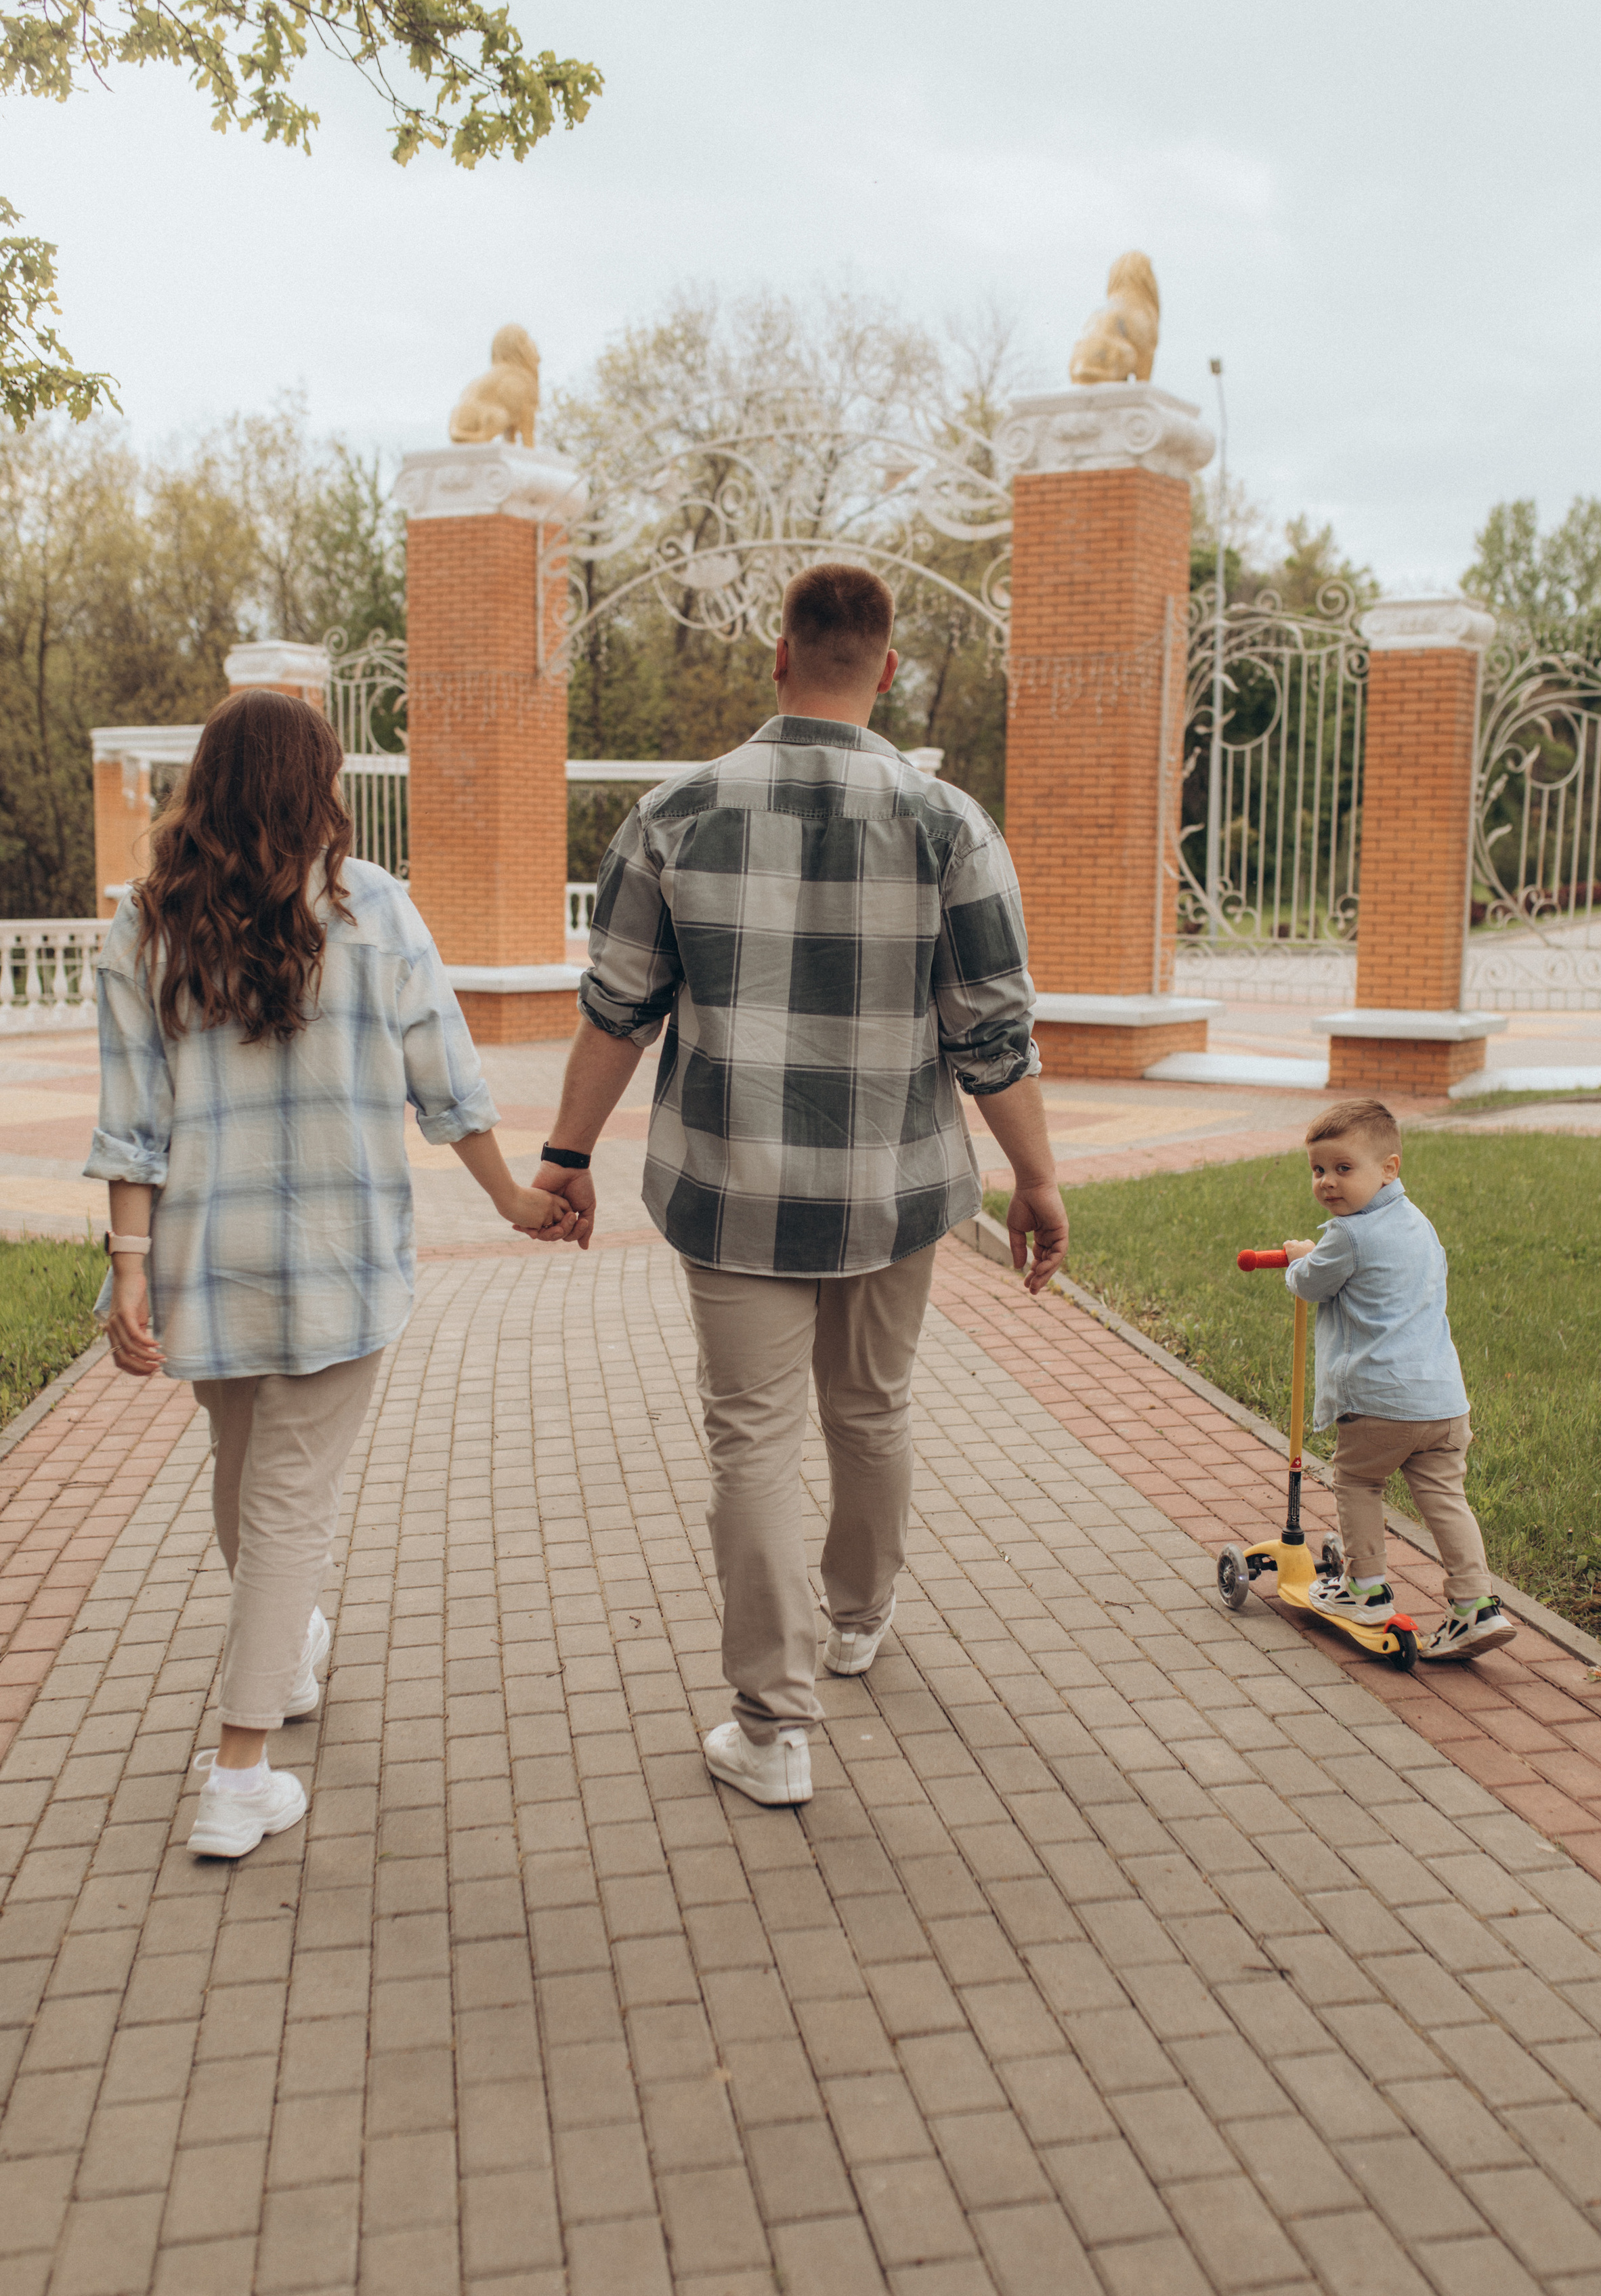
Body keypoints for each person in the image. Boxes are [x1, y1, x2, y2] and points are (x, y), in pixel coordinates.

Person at [533, 563, 1069, 1805]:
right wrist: (1037, 1178)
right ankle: (860, 1619)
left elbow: (617, 1013)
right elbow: (995, 1037)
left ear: (780, 656)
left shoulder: (676, 815)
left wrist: (565, 1159)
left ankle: (773, 1733)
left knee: (753, 1443)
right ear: (889, 671)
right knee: (872, 1410)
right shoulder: (953, 825)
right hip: (897, 1190)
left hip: (731, 1191)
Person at [87, 687, 567, 1858]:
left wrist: (132, 1269)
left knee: (249, 1477)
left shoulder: (143, 925)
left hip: (206, 1261)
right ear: (317, 785)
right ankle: (238, 1775)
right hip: (342, 1265)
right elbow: (447, 1081)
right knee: (288, 1503)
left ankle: (286, 1649)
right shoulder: (378, 910)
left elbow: (129, 1126)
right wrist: (510, 1197)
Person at [1282, 1097, 1512, 1662]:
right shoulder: (1418, 1223)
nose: (1328, 1184)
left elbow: (1311, 1284)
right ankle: (1475, 1605)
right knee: (1444, 1498)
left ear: (1389, 1168)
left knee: (1358, 1482)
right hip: (1442, 1402)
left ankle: (1364, 1587)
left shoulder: (1348, 1235)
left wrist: (1297, 1257)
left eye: (1343, 1169)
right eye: (1318, 1170)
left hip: (1381, 1401)